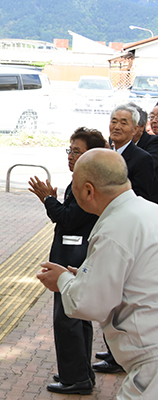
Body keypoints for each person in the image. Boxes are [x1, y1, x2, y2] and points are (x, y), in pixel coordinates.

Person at [37, 148, 158, 400]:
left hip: (150, 359)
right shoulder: (148, 211)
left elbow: (90, 303)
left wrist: (62, 280)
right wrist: (83, 276)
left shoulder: (115, 228)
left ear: (89, 190)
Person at [28, 127, 107, 395]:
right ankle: (79, 372)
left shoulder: (88, 183)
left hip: (73, 259)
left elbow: (69, 220)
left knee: (68, 318)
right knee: (76, 316)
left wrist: (47, 199)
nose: (71, 156)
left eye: (77, 151)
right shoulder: (84, 179)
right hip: (73, 256)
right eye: (70, 150)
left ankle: (76, 379)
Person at [93, 103, 156, 373]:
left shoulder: (141, 159)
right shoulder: (103, 154)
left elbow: (145, 196)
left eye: (123, 123)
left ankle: (121, 355)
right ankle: (112, 350)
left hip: (125, 236)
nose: (116, 126)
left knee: (121, 294)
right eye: (113, 120)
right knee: (107, 293)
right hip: (100, 229)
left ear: (136, 129)